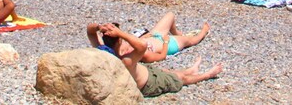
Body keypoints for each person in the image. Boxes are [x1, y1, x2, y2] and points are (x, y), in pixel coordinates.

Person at [87, 22, 222, 98]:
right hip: (149, 84)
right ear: (120, 39)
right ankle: (207, 75)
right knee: (179, 79)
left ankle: (191, 70)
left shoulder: (103, 51)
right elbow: (142, 46)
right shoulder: (124, 60)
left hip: (145, 72)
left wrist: (100, 27)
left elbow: (90, 31)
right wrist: (120, 33)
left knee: (167, 71)